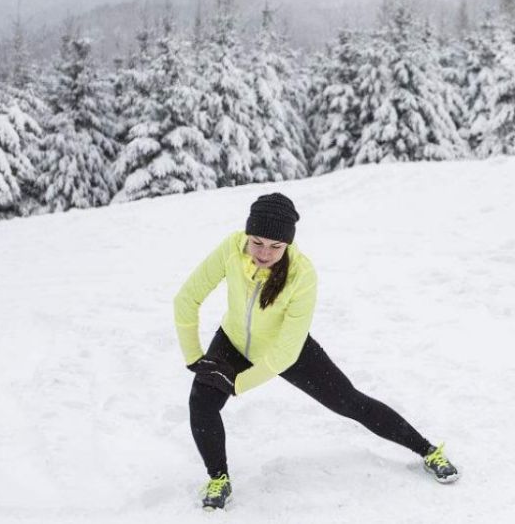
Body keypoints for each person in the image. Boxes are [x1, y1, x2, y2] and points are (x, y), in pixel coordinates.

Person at [174, 192, 459, 510]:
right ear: (246, 235)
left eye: (275, 246)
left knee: (351, 402)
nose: (264, 253)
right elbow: (186, 298)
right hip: (233, 341)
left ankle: (427, 450)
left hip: (288, 347)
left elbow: (284, 353)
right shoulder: (231, 248)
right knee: (201, 403)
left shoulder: (302, 274)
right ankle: (218, 478)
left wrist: (237, 384)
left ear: (288, 244)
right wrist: (195, 360)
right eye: (257, 242)